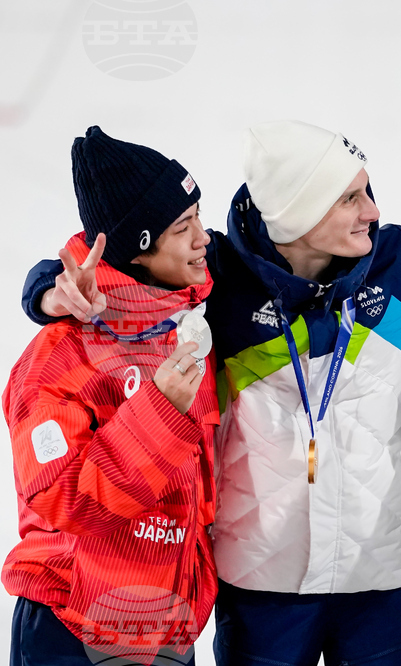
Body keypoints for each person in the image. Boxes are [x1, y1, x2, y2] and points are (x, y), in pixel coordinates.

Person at [23, 120, 401, 666]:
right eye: (348, 198)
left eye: (366, 191)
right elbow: (125, 273)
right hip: (261, 584)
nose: (372, 211)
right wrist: (48, 291)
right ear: (300, 212)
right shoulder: (220, 274)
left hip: (385, 578)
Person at [4, 126, 217, 665]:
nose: (204, 239)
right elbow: (63, 497)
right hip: (73, 630)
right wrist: (160, 412)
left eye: (199, 217)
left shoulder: (181, 324)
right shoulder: (58, 355)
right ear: (139, 251)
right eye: (183, 227)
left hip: (167, 625)